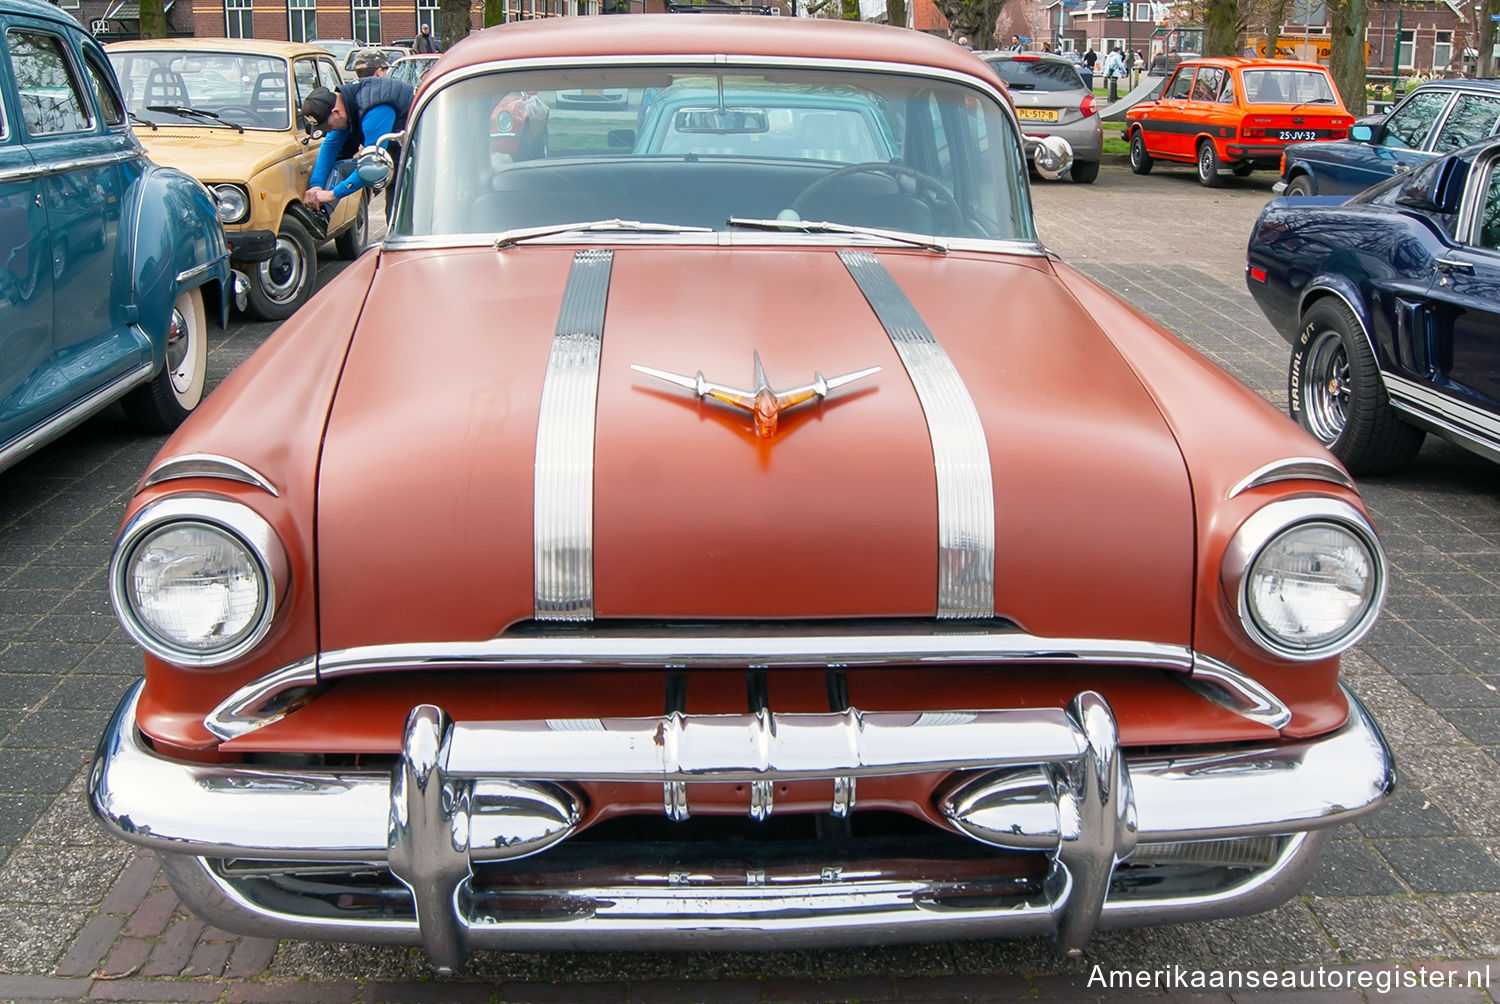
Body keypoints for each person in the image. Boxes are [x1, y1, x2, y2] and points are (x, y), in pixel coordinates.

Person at [300, 76, 415, 227]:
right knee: (394, 220)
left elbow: (373, 166)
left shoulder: (375, 109)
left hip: (419, 160)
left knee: (400, 222)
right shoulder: (346, 104)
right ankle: (320, 215)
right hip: (397, 156)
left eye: (327, 126)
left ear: (337, 113)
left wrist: (332, 194)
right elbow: (330, 146)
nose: (327, 130)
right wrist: (316, 185)